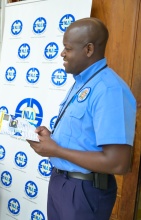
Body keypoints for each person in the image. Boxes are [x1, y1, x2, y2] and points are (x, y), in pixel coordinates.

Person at [27, 18, 136, 220]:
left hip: (84, 192)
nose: (62, 53)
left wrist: (56, 150)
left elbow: (118, 163)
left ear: (88, 49)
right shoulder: (82, 82)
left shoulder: (109, 90)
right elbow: (83, 138)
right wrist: (52, 139)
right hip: (62, 184)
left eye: (67, 48)